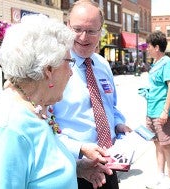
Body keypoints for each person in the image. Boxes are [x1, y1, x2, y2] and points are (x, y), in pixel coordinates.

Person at [0, 14, 112, 189]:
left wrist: (76, 168)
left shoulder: (34, 108)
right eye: (69, 62)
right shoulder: (11, 129)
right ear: (48, 69)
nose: (71, 73)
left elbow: (38, 168)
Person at [52, 1, 132, 189]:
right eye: (77, 29)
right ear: (67, 26)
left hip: (108, 164)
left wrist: (119, 124)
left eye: (91, 31)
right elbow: (44, 123)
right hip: (73, 168)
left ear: (101, 31)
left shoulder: (103, 65)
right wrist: (79, 149)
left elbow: (110, 106)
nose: (83, 37)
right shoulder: (55, 67)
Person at [143, 31, 170, 189]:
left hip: (161, 112)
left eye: (148, 46)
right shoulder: (156, 64)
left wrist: (165, 111)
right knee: (157, 144)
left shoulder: (167, 62)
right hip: (151, 111)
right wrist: (148, 92)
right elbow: (158, 86)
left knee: (167, 145)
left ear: (156, 47)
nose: (146, 49)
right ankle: (160, 175)